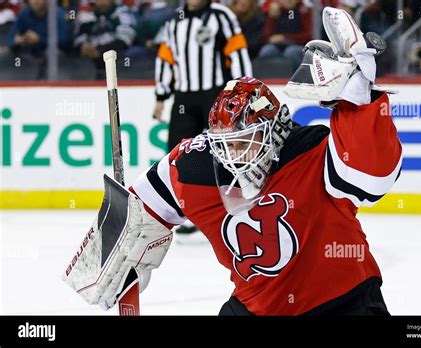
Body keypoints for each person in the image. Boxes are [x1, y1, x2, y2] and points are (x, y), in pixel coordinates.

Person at [67, 7, 402, 315]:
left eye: (245, 141)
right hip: (258, 307)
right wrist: (111, 253)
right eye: (226, 144)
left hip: (343, 301)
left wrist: (361, 98)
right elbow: (137, 208)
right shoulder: (194, 165)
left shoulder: (311, 150)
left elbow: (371, 180)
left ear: (273, 130)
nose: (234, 154)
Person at [152, 0, 252, 235]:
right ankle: (187, 212)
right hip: (184, 97)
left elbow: (237, 52)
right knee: (178, 153)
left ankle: (236, 207)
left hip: (215, 94)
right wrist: (160, 96)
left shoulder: (222, 16)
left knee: (225, 152)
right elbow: (166, 58)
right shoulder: (174, 20)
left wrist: (242, 92)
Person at [73, 0, 136, 79]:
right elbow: (79, 38)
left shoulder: (122, 14)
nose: (102, 2)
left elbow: (125, 40)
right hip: (91, 58)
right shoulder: (87, 16)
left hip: (117, 56)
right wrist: (83, 47)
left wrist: (100, 51)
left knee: (129, 55)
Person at [258, 0, 312, 71]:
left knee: (291, 52)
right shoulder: (276, 10)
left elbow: (309, 35)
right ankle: (269, 79)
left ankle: (298, 78)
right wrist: (272, 17)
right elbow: (264, 37)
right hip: (277, 46)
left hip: (299, 45)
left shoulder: (304, 11)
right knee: (267, 50)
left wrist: (285, 38)